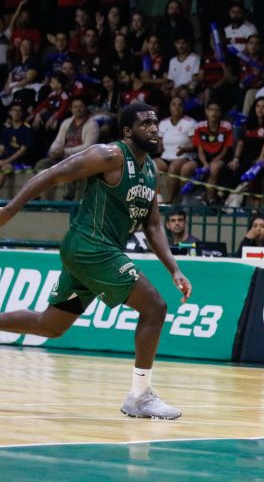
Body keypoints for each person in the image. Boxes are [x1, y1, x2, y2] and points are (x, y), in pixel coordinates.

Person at [0, 103, 192, 420]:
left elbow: (153, 226)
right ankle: (140, 396)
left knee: (50, 325)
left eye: (155, 123)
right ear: (128, 131)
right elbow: (52, 174)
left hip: (96, 252)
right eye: (145, 123)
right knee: (155, 308)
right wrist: (9, 211)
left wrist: (175, 269)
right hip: (90, 246)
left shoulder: (151, 170)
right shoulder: (109, 155)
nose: (154, 128)